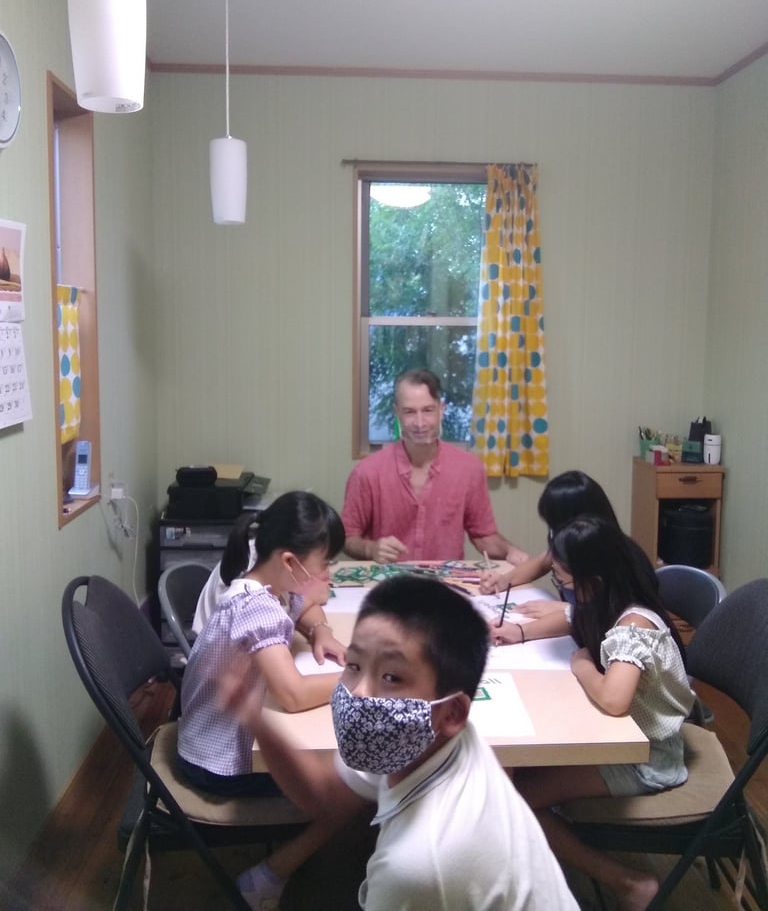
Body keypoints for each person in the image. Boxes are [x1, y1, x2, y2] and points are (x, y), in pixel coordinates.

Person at [221, 574, 579, 910]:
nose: (359, 694)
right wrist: (258, 722)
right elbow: (325, 795)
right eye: (355, 665)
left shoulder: (417, 867)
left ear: (452, 712)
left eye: (391, 677)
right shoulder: (423, 742)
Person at [512, 516, 694, 911]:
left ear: (592, 578)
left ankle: (627, 882)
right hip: (626, 741)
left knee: (515, 798)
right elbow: (570, 618)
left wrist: (581, 666)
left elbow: (614, 700)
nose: (561, 586)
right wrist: (523, 633)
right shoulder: (606, 600)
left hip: (647, 756)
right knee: (516, 775)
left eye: (563, 578)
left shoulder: (635, 623)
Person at [177, 491, 348, 908]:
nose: (329, 573)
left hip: (203, 737)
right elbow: (292, 695)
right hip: (217, 762)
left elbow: (303, 602)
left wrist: (319, 631)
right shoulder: (258, 609)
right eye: (325, 564)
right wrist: (363, 678)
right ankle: (267, 878)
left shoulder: (263, 584)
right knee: (352, 785)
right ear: (291, 561)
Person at [341, 368, 528, 564]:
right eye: (409, 412)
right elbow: (346, 538)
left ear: (441, 409)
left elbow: (483, 536)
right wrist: (371, 549)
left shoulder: (469, 468)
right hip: (389, 586)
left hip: (446, 586)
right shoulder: (367, 472)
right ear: (396, 412)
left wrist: (510, 551)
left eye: (428, 410)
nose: (420, 423)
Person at [482, 470, 655, 646]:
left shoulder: (613, 561)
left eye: (555, 525)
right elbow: (543, 561)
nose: (554, 534)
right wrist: (504, 580)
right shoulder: (578, 546)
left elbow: (598, 618)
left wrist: (568, 610)